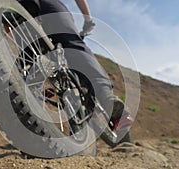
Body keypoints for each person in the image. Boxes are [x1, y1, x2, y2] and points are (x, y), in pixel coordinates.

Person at [22, 0, 130, 141]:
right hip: (48, 5)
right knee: (71, 44)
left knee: (25, 60)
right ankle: (105, 96)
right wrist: (88, 20)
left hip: (21, 7)